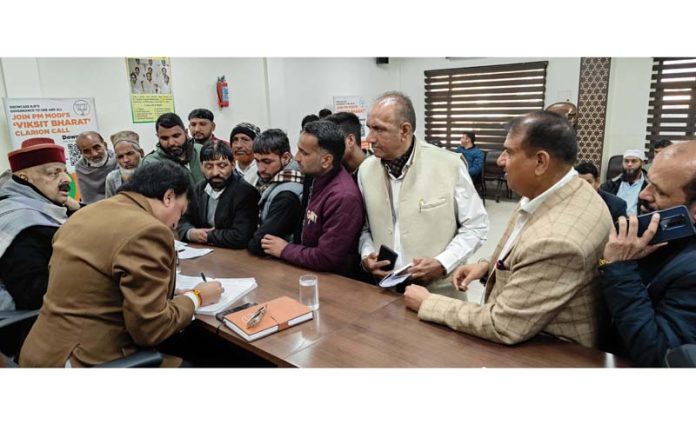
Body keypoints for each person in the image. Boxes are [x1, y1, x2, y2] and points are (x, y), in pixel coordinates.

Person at [405, 111, 612, 348]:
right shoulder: (558, 191)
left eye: (509, 152)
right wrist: (488, 266)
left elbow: (502, 324)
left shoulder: (557, 240)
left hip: (545, 354)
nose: (500, 160)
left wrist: (429, 303)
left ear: (541, 162)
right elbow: (525, 251)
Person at [19, 162, 224, 367]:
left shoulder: (86, 213)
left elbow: (96, 285)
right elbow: (151, 329)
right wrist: (196, 297)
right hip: (88, 360)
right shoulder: (148, 230)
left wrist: (165, 293)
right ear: (168, 197)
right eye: (181, 211)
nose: (176, 223)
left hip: (42, 351)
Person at [359, 92, 488, 298]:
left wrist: (443, 262)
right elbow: (364, 228)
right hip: (384, 291)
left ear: (404, 130)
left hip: (438, 293)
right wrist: (367, 255)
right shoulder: (366, 170)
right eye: (369, 128)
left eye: (379, 129)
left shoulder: (449, 165)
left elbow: (476, 226)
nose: (369, 138)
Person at [599, 140, 696, 366]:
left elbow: (661, 355)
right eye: (648, 183)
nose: (643, 195)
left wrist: (620, 269)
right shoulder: (666, 236)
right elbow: (608, 266)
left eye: (659, 191)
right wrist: (611, 263)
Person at [260, 120, 364, 276]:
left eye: (305, 153)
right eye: (298, 150)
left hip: (335, 283)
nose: (297, 158)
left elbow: (327, 257)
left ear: (326, 160)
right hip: (307, 270)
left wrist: (284, 249)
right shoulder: (314, 177)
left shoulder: (342, 197)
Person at [0, 138, 81, 311]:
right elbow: (34, 294)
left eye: (65, 171)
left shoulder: (50, 206)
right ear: (25, 179)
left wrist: (75, 207)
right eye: (54, 173)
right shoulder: (19, 220)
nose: (66, 179)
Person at [177, 141, 259, 248]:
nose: (215, 172)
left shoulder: (246, 193)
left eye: (222, 165)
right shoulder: (198, 189)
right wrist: (190, 233)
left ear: (233, 165)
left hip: (235, 256)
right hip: (204, 252)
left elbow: (241, 235)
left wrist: (207, 236)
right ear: (201, 166)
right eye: (209, 166)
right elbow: (183, 219)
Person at [247, 129, 304, 256]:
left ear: (286, 158)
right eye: (257, 161)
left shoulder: (287, 194)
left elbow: (259, 243)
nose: (261, 168)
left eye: (267, 161)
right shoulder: (272, 182)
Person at [141, 112, 204, 186]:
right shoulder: (152, 163)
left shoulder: (201, 151)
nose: (171, 143)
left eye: (176, 136)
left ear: (186, 133)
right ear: (158, 137)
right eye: (164, 138)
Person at [600, 149, 648, 216]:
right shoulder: (611, 184)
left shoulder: (649, 185)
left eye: (634, 161)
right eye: (626, 161)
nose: (629, 164)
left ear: (642, 163)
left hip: (638, 223)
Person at [74, 131, 118, 204]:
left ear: (105, 145)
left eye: (97, 147)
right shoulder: (80, 167)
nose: (94, 154)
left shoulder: (119, 160)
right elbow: (87, 199)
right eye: (86, 151)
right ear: (82, 153)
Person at [325, 112, 366, 178]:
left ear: (350, 140)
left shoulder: (378, 170)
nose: (326, 149)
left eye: (331, 141)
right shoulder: (334, 172)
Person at [230, 122, 261, 186]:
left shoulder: (262, 169)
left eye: (245, 140)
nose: (238, 145)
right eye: (235, 140)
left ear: (256, 144)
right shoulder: (228, 169)